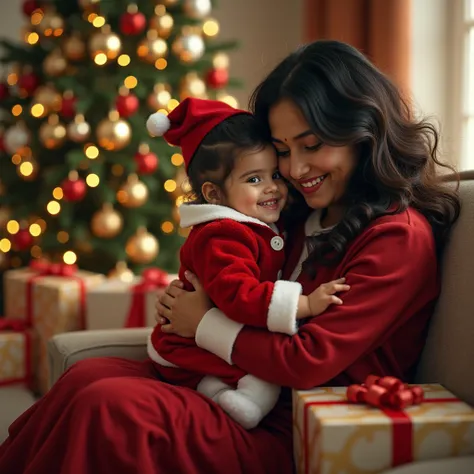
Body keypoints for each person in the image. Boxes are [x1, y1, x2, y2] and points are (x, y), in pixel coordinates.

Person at [0, 40, 460, 474]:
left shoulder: (397, 237)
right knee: (88, 377)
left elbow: (307, 360)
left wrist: (202, 323)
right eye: (282, 151)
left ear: (363, 128)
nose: (295, 170)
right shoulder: (298, 212)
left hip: (292, 422)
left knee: (112, 409)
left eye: (312, 145)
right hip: (237, 385)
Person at [145, 98, 349, 429]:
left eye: (273, 174)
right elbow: (239, 295)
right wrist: (304, 304)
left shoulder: (259, 223)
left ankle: (216, 394)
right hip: (187, 347)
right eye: (254, 180)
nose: (273, 187)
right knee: (264, 378)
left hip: (198, 342)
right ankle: (245, 404)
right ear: (213, 194)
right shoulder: (222, 235)